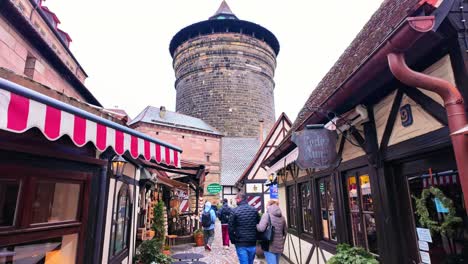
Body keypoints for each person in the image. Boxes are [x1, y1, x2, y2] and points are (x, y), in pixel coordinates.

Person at [228, 192, 259, 264]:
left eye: (236, 199)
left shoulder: (234, 211)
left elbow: (230, 228)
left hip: (240, 242)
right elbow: (258, 224)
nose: (235, 200)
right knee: (250, 262)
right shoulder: (254, 210)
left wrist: (233, 240)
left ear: (239, 199)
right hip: (252, 241)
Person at [257, 200, 287, 264]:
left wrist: (256, 225)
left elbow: (261, 229)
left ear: (269, 206)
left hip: (269, 245)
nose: (266, 207)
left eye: (266, 205)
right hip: (279, 246)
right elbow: (285, 232)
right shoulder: (282, 217)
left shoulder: (266, 215)